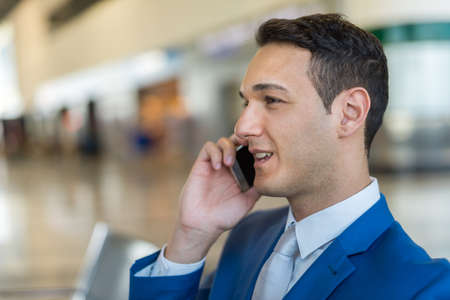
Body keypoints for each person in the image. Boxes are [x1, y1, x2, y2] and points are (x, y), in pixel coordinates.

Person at [129, 13, 450, 300]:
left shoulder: (421, 287)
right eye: (246, 103)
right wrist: (191, 237)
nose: (242, 126)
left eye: (272, 100)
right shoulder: (248, 236)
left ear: (349, 113)